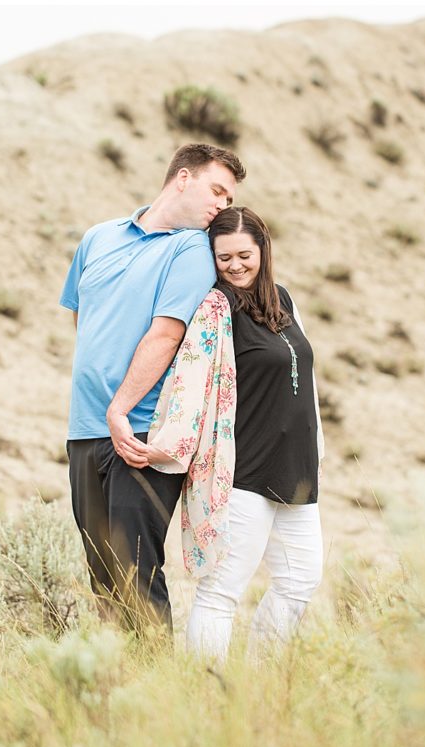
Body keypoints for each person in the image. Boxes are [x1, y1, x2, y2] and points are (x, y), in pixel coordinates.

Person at [60, 143, 246, 632]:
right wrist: (102, 406)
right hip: (85, 428)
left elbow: (166, 333)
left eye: (229, 199)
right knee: (101, 574)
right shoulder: (97, 239)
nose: (222, 206)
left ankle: (160, 695)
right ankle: (115, 693)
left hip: (145, 434)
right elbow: (83, 317)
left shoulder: (190, 250)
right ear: (182, 178)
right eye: (217, 191)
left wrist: (121, 408)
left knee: (136, 571)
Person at [145, 206, 325, 661]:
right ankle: (208, 696)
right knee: (222, 591)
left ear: (263, 250)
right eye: (223, 258)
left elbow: (307, 379)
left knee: (300, 579)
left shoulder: (283, 299)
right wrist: (163, 445)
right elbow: (188, 380)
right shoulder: (215, 307)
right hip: (243, 471)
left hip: (297, 469)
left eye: (244, 254)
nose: (235, 266)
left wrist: (317, 446)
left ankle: (257, 686)